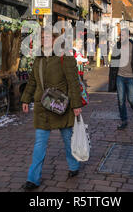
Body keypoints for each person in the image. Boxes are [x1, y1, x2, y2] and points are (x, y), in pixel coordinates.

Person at [20, 30, 83, 190]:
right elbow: (33, 81)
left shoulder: (65, 58)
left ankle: (74, 166)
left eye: (48, 37)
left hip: (61, 106)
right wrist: (25, 99)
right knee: (40, 142)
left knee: (68, 139)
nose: (45, 40)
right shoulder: (39, 58)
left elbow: (74, 83)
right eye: (42, 38)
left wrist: (76, 105)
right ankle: (33, 179)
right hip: (42, 106)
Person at [108, 33, 133, 130]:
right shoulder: (117, 46)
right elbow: (113, 63)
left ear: (128, 36)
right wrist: (112, 77)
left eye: (123, 36)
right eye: (120, 36)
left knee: (131, 99)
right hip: (120, 77)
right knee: (121, 100)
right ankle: (124, 120)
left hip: (131, 77)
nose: (121, 38)